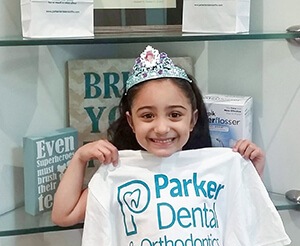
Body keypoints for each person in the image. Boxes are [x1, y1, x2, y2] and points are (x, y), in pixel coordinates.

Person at [52, 46, 265, 228]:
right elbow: (64, 215)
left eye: (174, 115)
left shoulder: (211, 170)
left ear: (192, 120)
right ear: (131, 122)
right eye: (147, 116)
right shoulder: (120, 173)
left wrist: (252, 171)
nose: (162, 128)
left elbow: (243, 218)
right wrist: (80, 158)